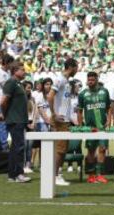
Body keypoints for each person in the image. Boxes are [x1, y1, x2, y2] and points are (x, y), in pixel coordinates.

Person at [47, 58, 78, 186]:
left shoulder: (66, 81)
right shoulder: (59, 79)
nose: (77, 70)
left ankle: (56, 174)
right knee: (60, 149)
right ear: (71, 67)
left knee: (62, 149)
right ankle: (55, 176)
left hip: (65, 119)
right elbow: (50, 96)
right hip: (60, 120)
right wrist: (54, 114)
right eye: (76, 67)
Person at [78, 72, 111, 184]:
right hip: (90, 127)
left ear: (97, 79)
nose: (90, 81)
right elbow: (79, 110)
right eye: (89, 79)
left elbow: (109, 107)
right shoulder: (83, 94)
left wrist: (109, 120)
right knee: (91, 151)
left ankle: (100, 175)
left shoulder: (104, 91)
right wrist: (80, 125)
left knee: (102, 149)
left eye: (93, 79)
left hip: (102, 127)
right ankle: (91, 175)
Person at [0, 61, 30, 183]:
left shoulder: (18, 83)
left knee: (15, 148)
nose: (25, 71)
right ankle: (18, 174)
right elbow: (3, 102)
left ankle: (12, 175)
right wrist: (4, 114)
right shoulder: (11, 82)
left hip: (19, 120)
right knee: (19, 147)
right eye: (22, 69)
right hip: (15, 120)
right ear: (15, 71)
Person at [22, 81, 37, 174]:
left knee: (30, 145)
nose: (29, 89)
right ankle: (22, 165)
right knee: (24, 145)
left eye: (30, 87)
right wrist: (26, 124)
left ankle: (28, 164)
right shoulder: (20, 98)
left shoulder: (32, 99)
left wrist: (34, 123)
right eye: (28, 87)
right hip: (23, 123)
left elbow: (35, 111)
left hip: (31, 123)